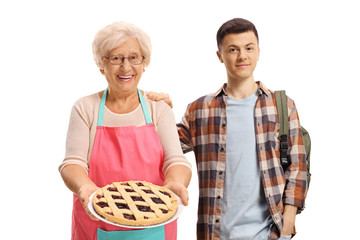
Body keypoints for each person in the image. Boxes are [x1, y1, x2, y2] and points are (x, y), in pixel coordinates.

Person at [149, 18, 307, 240]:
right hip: (214, 234)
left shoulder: (282, 105)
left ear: (258, 52)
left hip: (269, 233)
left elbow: (297, 167)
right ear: (220, 56)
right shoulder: (200, 110)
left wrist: (287, 224)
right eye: (233, 49)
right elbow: (161, 147)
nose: (242, 56)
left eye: (248, 48)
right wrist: (157, 112)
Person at [59, 21, 192, 240]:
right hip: (97, 225)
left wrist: (175, 182)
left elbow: (175, 160)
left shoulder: (157, 108)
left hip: (155, 227)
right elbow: (72, 163)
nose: (126, 67)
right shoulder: (85, 108)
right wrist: (84, 187)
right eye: (116, 58)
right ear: (102, 65)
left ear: (144, 62)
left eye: (134, 57)